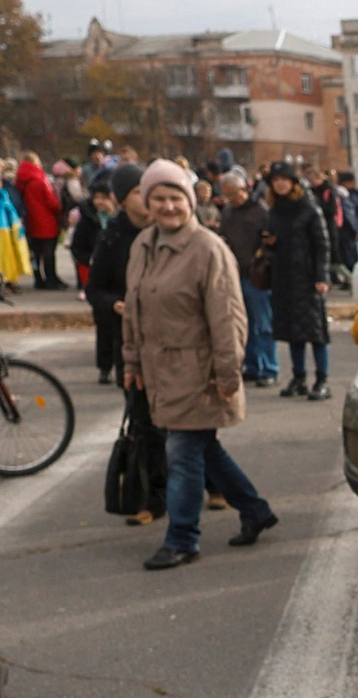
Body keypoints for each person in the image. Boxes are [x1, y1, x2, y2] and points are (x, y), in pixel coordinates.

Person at [122, 160, 277, 570]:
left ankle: (182, 538)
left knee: (183, 453)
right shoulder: (142, 245)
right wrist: (131, 359)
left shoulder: (209, 249)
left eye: (175, 198)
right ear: (147, 202)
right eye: (159, 198)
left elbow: (229, 319)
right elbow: (133, 310)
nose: (168, 206)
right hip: (159, 372)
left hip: (200, 373)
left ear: (190, 201)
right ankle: (255, 510)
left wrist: (228, 374)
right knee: (202, 449)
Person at [86, 162, 168, 526]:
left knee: (188, 425)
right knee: (144, 422)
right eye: (138, 192)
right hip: (132, 342)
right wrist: (113, 304)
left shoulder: (169, 228)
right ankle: (151, 499)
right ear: (122, 200)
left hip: (173, 341)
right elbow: (95, 289)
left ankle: (212, 485)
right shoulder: (113, 236)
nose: (147, 199)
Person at [262, 161, 332, 401]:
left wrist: (322, 276)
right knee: (292, 332)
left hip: (308, 279)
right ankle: (299, 377)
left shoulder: (310, 209)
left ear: (293, 183)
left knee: (316, 332)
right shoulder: (274, 211)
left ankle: (322, 380)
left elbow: (322, 244)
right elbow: (275, 243)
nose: (280, 183)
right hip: (283, 278)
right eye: (276, 180)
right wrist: (270, 243)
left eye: (285, 179)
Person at [218, 171, 278, 387]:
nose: (231, 200)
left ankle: (269, 367)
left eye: (233, 195)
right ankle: (252, 365)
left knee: (263, 324)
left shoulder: (261, 211)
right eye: (227, 196)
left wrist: (262, 258)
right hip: (235, 274)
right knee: (244, 324)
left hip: (257, 274)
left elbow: (271, 241)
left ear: (244, 190)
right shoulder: (228, 211)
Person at [70, 174, 114, 356]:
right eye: (96, 198)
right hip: (97, 276)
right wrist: (89, 259)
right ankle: (104, 364)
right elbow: (77, 247)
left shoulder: (120, 219)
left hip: (120, 275)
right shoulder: (88, 219)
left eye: (103, 198)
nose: (99, 202)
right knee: (102, 320)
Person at [16, 151, 63, 290]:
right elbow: (52, 202)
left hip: (30, 221)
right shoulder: (40, 178)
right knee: (49, 253)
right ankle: (51, 279)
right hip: (46, 221)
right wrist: (59, 210)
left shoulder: (20, 179)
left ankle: (38, 279)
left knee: (35, 253)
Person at [0, 174, 32, 293]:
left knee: (9, 257)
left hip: (8, 230)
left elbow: (13, 209)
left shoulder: (5, 194)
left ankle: (9, 281)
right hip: (3, 230)